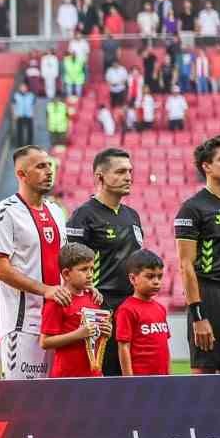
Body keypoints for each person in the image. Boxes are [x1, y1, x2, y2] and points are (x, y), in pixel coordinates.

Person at [0, 146, 67, 380]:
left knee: (58, 402)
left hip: (58, 323)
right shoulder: (5, 212)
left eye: (49, 165)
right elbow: (0, 270)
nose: (48, 171)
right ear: (21, 174)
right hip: (23, 326)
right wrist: (45, 290)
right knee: (24, 405)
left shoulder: (56, 211)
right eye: (40, 166)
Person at [64, 148, 144, 376]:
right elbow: (71, 263)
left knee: (133, 374)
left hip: (132, 305)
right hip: (101, 306)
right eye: (120, 172)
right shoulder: (84, 216)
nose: (128, 177)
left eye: (130, 171)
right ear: (100, 177)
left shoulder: (132, 215)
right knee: (106, 373)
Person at [175, 136, 220, 373]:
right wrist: (198, 316)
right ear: (207, 166)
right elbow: (185, 265)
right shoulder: (193, 208)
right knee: (205, 374)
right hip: (210, 295)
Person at [39, 243, 109, 378]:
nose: (90, 275)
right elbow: (45, 342)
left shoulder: (94, 298)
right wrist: (78, 334)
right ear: (66, 274)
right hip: (67, 378)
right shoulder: (57, 301)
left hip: (94, 375)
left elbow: (93, 336)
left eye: (92, 269)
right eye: (84, 269)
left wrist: (105, 331)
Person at [115, 250, 172, 377]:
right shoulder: (127, 309)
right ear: (133, 278)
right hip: (140, 380)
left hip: (162, 379)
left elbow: (165, 348)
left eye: (160, 276)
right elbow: (124, 347)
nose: (156, 281)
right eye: (150, 276)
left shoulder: (160, 309)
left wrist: (169, 376)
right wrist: (129, 380)